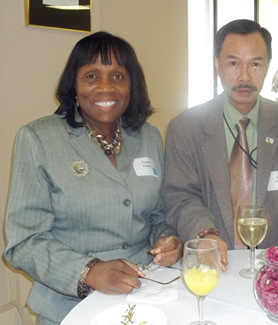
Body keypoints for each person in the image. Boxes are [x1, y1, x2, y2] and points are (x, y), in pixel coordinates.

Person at [4, 31, 182, 325]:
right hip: (69, 306)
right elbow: (24, 242)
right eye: (91, 76)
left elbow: (157, 215)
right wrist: (88, 271)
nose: (105, 88)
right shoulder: (38, 139)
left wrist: (168, 238)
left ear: (131, 86)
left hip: (145, 294)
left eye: (117, 76)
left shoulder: (148, 136)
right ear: (73, 84)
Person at [162, 19, 278, 272]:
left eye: (255, 64)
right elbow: (180, 195)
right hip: (210, 263)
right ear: (217, 65)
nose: (244, 77)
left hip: (276, 265)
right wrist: (205, 234)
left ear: (267, 66)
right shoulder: (185, 127)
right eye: (233, 63)